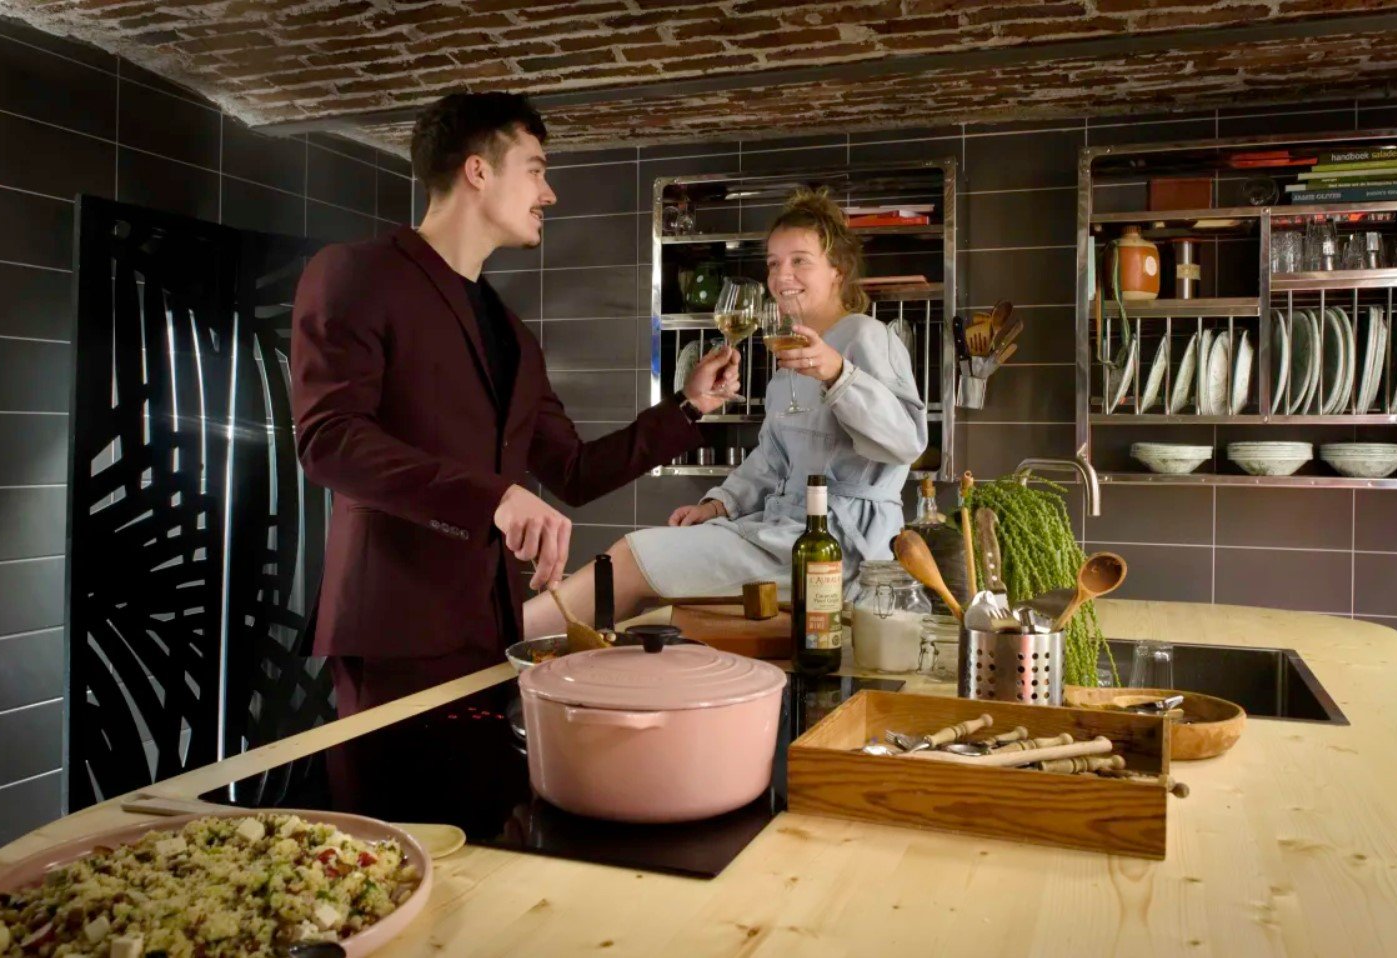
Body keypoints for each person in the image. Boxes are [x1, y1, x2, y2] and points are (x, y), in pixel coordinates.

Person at [291, 92, 740, 716]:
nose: (548, 193)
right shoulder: (354, 273)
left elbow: (573, 474)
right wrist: (494, 497)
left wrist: (687, 408)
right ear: (478, 170)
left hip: (492, 635)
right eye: (535, 168)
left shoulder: (512, 334)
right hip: (392, 634)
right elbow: (328, 440)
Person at [522, 188, 927, 637]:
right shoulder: (792, 352)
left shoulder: (865, 336)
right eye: (773, 262)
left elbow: (907, 442)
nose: (781, 275)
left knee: (632, 558)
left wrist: (838, 375)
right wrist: (722, 503)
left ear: (839, 270)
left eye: (799, 261)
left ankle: (505, 640)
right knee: (649, 583)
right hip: (783, 529)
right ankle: (538, 648)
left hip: (839, 544)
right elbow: (772, 459)